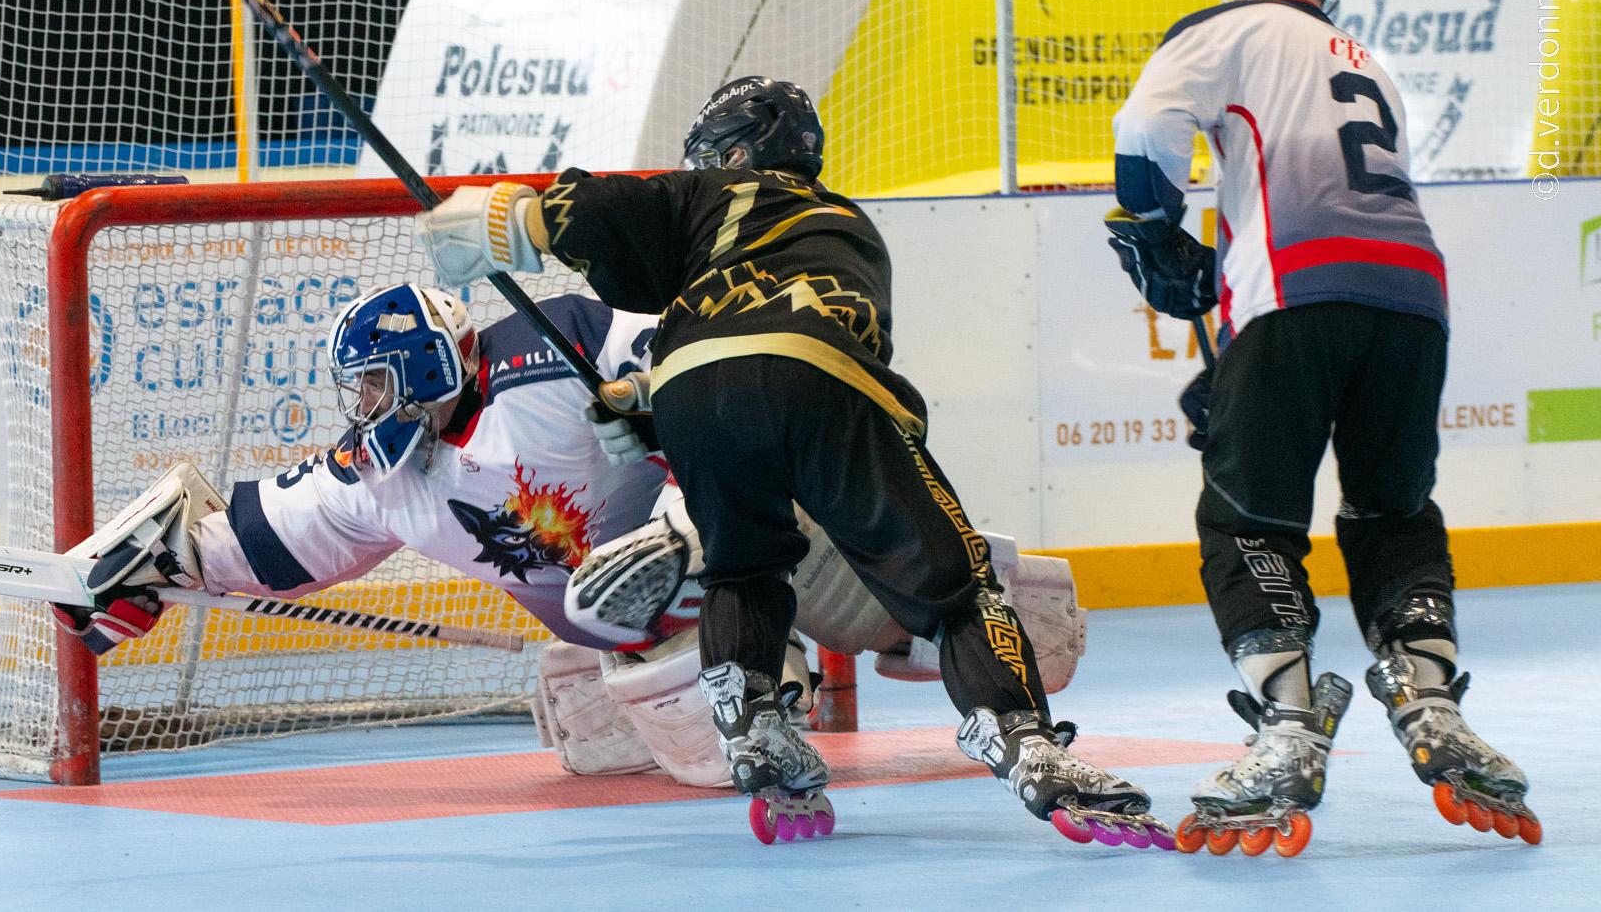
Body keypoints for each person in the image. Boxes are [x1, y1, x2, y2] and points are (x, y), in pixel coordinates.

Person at [416, 78, 1166, 848]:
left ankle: (752, 715)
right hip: (820, 378)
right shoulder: (849, 228)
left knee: (745, 565)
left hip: (694, 386)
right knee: (958, 585)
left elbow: (605, 209)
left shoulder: (716, 196)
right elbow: (791, 347)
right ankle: (1018, 734)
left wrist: (513, 220)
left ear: (735, 155)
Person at [51, 279, 1086, 795]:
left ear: (427, 361)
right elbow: (270, 534)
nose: (364, 408)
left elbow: (711, 372)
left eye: (374, 384)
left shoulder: (557, 347)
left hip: (739, 537)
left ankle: (957, 616)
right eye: (354, 391)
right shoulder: (383, 483)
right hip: (639, 615)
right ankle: (772, 675)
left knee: (871, 606)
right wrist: (160, 566)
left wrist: (676, 481)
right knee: (651, 736)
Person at [1107, 0, 1538, 853]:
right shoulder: (1365, 60)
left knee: (1244, 518)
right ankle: (1429, 699)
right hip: (1413, 298)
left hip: (1296, 293)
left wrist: (1152, 230)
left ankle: (1288, 728)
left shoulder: (1225, 29)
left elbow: (1144, 129)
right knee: (1392, 511)